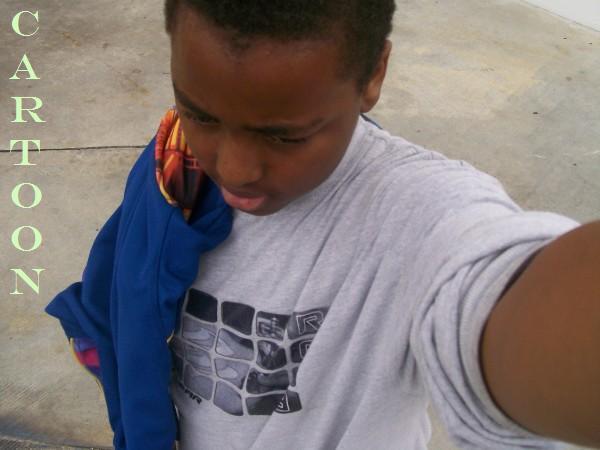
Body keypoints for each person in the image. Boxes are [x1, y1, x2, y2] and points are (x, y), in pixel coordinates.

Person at [47, 0, 600, 449]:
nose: (234, 169)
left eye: (284, 135)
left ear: (373, 74)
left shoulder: (418, 216)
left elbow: (509, 302)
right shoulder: (174, 168)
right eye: (201, 114)